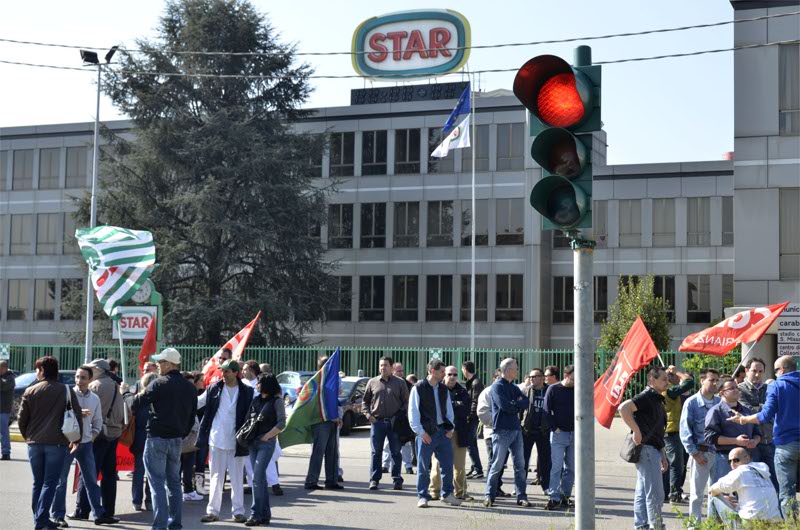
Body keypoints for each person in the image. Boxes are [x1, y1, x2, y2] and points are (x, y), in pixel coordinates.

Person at [128, 348, 198, 530]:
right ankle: (175, 523)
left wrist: (129, 393)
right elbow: (192, 417)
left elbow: (135, 404)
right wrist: (180, 434)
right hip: (176, 440)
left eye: (160, 362)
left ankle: (159, 525)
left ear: (169, 364)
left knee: (157, 483)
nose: (158, 366)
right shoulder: (190, 387)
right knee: (174, 483)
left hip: (157, 438)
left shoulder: (158, 383)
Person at [729, 355, 799, 520]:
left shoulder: (777, 385)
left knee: (787, 492)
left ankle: (791, 525)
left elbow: (765, 415)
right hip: (777, 442)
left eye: (775, 371)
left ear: (781, 370)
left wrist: (743, 419)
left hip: (785, 444)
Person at [18, 356, 83, 530]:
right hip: (58, 443)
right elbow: (76, 415)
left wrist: (28, 437)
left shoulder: (30, 391)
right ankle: (41, 521)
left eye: (37, 369)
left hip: (35, 443)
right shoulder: (66, 390)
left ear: (42, 370)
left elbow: (21, 420)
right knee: (50, 483)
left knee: (38, 483)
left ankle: (39, 519)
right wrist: (76, 439)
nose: (36, 373)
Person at [51, 366, 118, 527]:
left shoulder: (94, 398)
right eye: (77, 377)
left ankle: (99, 514)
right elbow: (58, 416)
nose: (79, 381)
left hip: (86, 443)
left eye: (83, 378)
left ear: (90, 380)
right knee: (61, 480)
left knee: (91, 480)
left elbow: (98, 420)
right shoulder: (67, 395)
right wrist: (78, 412)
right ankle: (58, 515)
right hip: (68, 442)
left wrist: (93, 435)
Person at [197, 359, 254, 523]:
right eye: (222, 370)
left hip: (238, 441)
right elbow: (198, 402)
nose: (223, 373)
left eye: (227, 371)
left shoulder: (247, 392)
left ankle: (238, 512)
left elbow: (256, 409)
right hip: (216, 439)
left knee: (236, 477)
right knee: (215, 477)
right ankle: (212, 512)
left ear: (236, 373)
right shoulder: (213, 389)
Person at [71, 359, 125, 521]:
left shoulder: (95, 386)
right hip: (114, 433)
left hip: (98, 435)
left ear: (98, 370)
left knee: (88, 475)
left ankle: (82, 510)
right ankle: (107, 511)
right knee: (109, 475)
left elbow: (93, 415)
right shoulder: (116, 385)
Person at [618, 366, 670, 530]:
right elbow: (623, 408)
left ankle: (642, 525)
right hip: (646, 450)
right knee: (655, 493)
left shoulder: (657, 399)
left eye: (668, 379)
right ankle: (655, 526)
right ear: (652, 380)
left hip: (652, 449)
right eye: (664, 379)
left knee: (643, 492)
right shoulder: (647, 396)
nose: (667, 382)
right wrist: (636, 431)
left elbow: (658, 431)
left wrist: (662, 454)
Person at [408, 358, 461, 508]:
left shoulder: (444, 389)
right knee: (424, 466)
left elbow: (449, 411)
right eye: (442, 371)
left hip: (443, 433)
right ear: (432, 371)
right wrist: (420, 432)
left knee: (447, 465)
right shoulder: (418, 388)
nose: (445, 374)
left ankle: (447, 494)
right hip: (426, 434)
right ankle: (423, 496)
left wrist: (450, 429)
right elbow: (413, 412)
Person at [484, 358, 531, 508]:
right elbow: (504, 406)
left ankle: (521, 496)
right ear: (509, 370)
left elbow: (525, 402)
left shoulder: (514, 387)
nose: (517, 371)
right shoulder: (497, 386)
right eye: (516, 368)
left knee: (520, 465)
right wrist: (515, 404)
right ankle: (489, 496)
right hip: (502, 431)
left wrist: (515, 404)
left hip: (516, 429)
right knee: (497, 465)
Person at [679, 368, 721, 522]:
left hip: (718, 453)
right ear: (702, 380)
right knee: (697, 494)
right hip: (701, 454)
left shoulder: (719, 402)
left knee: (716, 492)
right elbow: (684, 430)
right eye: (712, 380)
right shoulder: (692, 403)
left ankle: (712, 523)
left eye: (717, 380)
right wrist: (694, 453)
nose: (715, 383)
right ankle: (694, 525)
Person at [245, 374, 285, 527]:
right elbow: (248, 419)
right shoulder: (256, 400)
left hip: (266, 443)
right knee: (259, 479)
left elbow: (282, 423)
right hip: (253, 442)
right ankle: (265, 515)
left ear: (267, 384)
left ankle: (256, 514)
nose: (257, 384)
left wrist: (267, 436)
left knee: (257, 477)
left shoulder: (277, 401)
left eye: (260, 382)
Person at [364, 356, 409, 491]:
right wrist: (368, 415)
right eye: (381, 365)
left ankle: (397, 480)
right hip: (377, 423)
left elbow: (406, 402)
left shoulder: (400, 383)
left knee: (396, 452)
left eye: (386, 365)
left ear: (391, 367)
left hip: (394, 424)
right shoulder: (372, 382)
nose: (383, 368)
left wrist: (400, 416)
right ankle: (374, 480)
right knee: (375, 452)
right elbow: (364, 401)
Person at [430, 365, 474, 502]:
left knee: (459, 464)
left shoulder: (462, 391)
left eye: (455, 374)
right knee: (437, 463)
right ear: (444, 375)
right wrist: (455, 407)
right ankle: (435, 491)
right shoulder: (437, 389)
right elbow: (436, 411)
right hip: (441, 432)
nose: (453, 377)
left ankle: (460, 492)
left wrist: (452, 408)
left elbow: (465, 410)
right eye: (449, 374)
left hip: (459, 432)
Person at [707, 447, 783, 526]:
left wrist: (723, 499)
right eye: (729, 461)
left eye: (736, 460)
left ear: (747, 458)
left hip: (749, 524)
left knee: (714, 497)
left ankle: (712, 527)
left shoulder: (740, 471)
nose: (732, 464)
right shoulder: (762, 471)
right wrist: (732, 504)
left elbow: (712, 489)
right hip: (774, 523)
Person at [705, 379, 761, 483]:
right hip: (724, 459)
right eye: (731, 388)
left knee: (745, 494)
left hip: (746, 459)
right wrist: (736, 441)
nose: (736, 390)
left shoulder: (747, 411)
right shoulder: (716, 412)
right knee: (721, 495)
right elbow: (710, 437)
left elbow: (757, 432)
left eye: (737, 388)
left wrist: (754, 441)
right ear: (722, 393)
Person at [737, 357, 778, 490]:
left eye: (760, 371)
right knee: (751, 480)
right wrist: (766, 409)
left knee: (774, 480)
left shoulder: (770, 388)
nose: (757, 374)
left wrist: (765, 410)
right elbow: (746, 411)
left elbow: (773, 411)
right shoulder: (739, 389)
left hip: (770, 440)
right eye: (754, 371)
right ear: (747, 370)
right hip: (750, 442)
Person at [304, 355, 343, 491]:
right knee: (318, 452)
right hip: (320, 421)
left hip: (333, 420)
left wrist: (337, 416)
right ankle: (311, 481)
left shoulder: (332, 380)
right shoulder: (317, 381)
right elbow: (319, 402)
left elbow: (335, 399)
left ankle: (331, 481)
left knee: (333, 452)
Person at [543, 364, 575, 511]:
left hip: (574, 434)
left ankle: (565, 497)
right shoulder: (554, 389)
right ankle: (554, 497)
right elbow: (546, 410)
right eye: (573, 379)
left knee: (571, 468)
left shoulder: (578, 389)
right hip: (558, 434)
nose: (575, 382)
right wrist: (554, 428)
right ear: (565, 375)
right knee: (556, 467)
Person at [124, 372, 158, 512]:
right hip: (155, 438)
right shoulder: (159, 399)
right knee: (153, 472)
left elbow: (129, 406)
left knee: (138, 471)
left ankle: (136, 501)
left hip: (139, 438)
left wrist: (125, 393)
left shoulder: (139, 399)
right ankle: (150, 501)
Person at [662, 365, 694, 504]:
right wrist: (677, 372)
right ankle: (674, 494)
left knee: (669, 463)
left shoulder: (667, 390)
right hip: (672, 431)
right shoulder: (670, 390)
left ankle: (665, 492)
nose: (679, 378)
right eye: (675, 376)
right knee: (676, 464)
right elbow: (689, 382)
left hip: (671, 430)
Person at [477, 370, 510, 498]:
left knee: (502, 462)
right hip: (492, 432)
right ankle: (491, 489)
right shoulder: (487, 392)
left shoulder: (507, 390)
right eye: (499, 378)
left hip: (507, 432)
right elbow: (482, 412)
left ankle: (497, 486)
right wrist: (499, 422)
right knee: (494, 461)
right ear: (494, 379)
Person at [381, 362, 414, 475]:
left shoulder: (408, 385)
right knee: (387, 443)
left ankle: (408, 466)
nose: (401, 373)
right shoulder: (387, 383)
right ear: (393, 371)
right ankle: (385, 465)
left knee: (405, 443)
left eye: (402, 371)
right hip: (390, 418)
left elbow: (410, 401)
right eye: (398, 371)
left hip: (404, 419)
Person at [522, 368, 550, 492]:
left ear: (542, 377)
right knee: (523, 460)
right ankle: (520, 487)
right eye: (530, 377)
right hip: (528, 431)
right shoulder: (526, 391)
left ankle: (546, 487)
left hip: (543, 431)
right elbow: (520, 410)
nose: (532, 379)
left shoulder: (549, 390)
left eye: (535, 376)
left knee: (545, 461)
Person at [180, 372, 202, 502]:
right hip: (186, 436)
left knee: (188, 466)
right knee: (183, 465)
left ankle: (187, 490)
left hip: (190, 436)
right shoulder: (185, 397)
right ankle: (186, 490)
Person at [462, 361, 484, 480]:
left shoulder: (475, 383)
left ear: (465, 370)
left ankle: (478, 469)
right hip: (472, 416)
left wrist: (470, 415)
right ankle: (474, 467)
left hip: (473, 417)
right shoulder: (472, 382)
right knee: (471, 443)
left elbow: (475, 401)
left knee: (470, 443)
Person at [0, 360, 15, 460]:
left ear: (4, 368)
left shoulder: (10, 378)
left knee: (3, 432)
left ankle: (6, 452)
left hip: (3, 409)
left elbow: (3, 386)